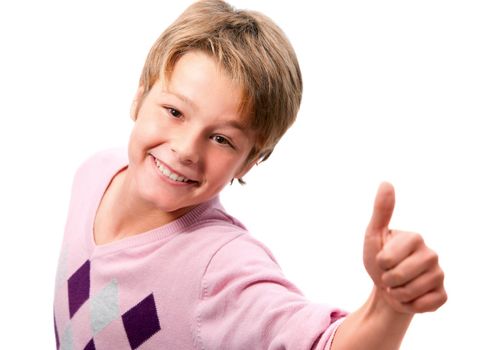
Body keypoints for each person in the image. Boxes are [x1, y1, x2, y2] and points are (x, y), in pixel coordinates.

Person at [53, 1, 447, 349]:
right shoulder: (95, 172)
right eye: (174, 111)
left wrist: (388, 307)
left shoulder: (221, 268)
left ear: (249, 162)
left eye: (222, 138)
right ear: (140, 96)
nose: (187, 149)